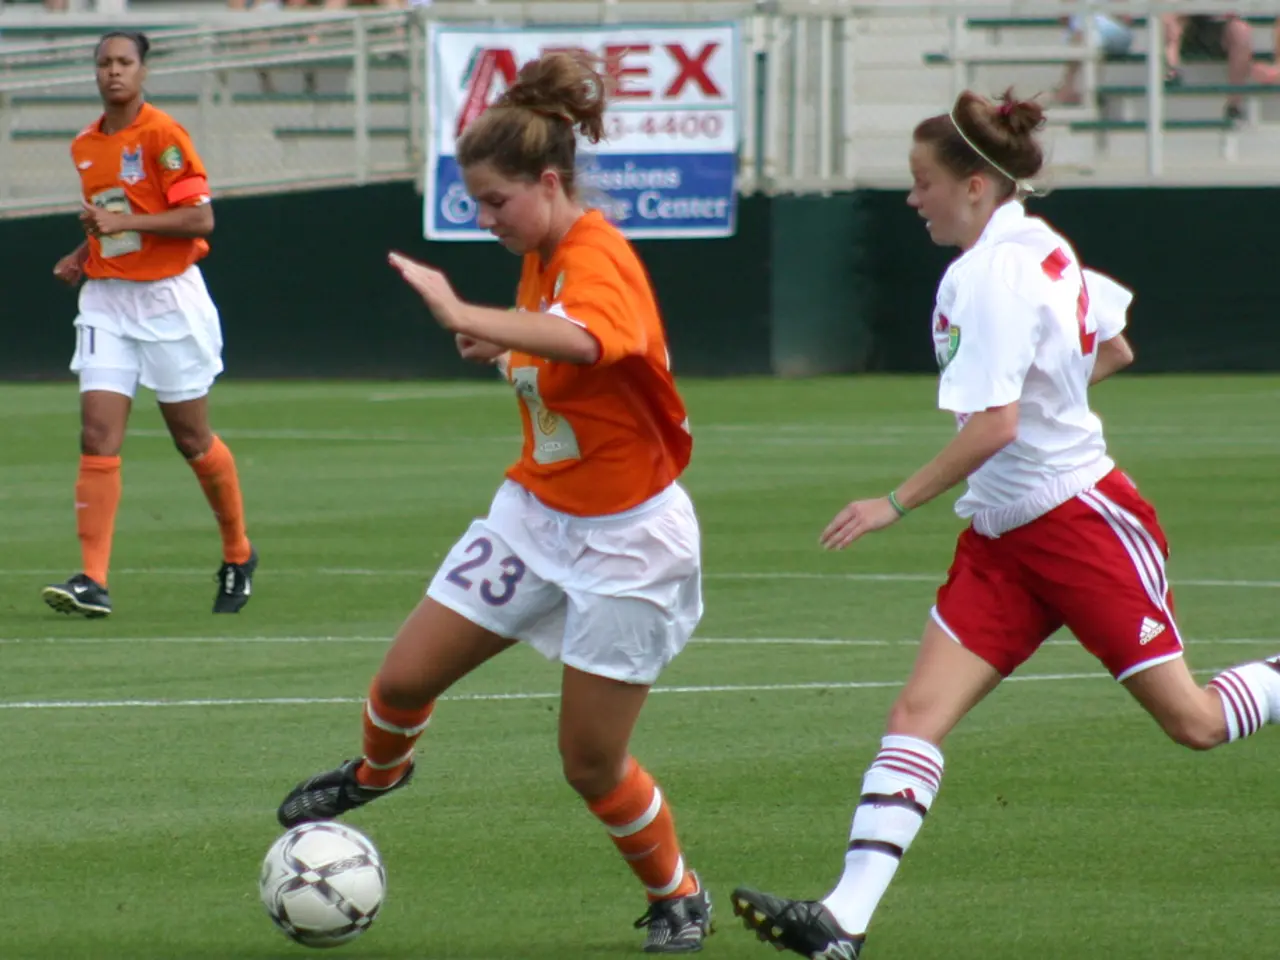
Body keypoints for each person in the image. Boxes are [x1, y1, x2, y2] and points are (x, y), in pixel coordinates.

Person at [729, 88, 1280, 960]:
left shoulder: (985, 272)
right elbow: (1117, 346)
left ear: (977, 186)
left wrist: (893, 503)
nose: (913, 199)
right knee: (915, 716)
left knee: (1196, 723)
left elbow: (995, 426)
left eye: (922, 182)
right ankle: (844, 921)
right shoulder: (1039, 244)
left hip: (1079, 525)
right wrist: (1054, 394)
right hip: (1004, 536)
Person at [275, 51, 713, 954]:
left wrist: (465, 315)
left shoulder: (597, 253)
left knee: (589, 762)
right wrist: (508, 355)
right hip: (535, 515)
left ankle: (678, 894)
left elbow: (592, 341)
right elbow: (561, 360)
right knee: (401, 680)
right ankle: (379, 772)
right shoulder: (541, 249)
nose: (484, 220)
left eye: (494, 202)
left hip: (630, 542)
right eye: (474, 204)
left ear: (548, 183)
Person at [44, 31, 256, 619]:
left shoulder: (164, 136)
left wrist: (119, 223)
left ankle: (238, 552)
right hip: (107, 300)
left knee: (191, 439)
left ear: (143, 71)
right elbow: (114, 225)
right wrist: (83, 255)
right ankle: (93, 579)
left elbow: (200, 217)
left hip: (167, 300)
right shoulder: (85, 144)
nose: (113, 72)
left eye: (124, 63)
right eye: (104, 63)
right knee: (96, 435)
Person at [1163, 13, 1280, 122]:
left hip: (1221, 23)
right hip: (1188, 22)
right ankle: (1170, 69)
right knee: (1169, 12)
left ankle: (1234, 106)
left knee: (1240, 31)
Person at [1052, 4, 1134, 105]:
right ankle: (1087, 89)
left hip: (1109, 30)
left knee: (1086, 37)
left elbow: (1125, 16)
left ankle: (1074, 87)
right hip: (1085, 30)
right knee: (1082, 36)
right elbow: (1064, 16)